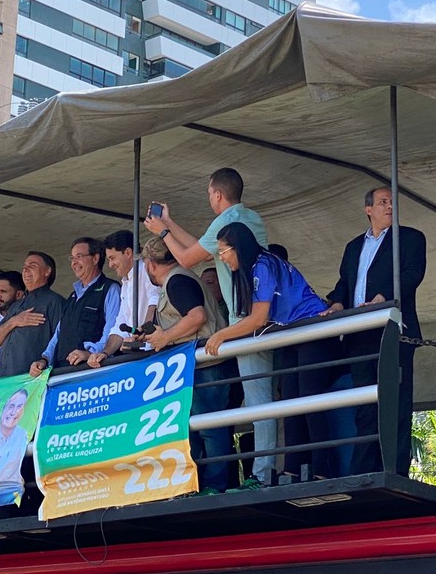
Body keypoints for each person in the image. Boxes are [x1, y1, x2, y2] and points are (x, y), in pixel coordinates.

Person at [144, 167, 275, 489]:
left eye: (208, 195)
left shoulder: (228, 221)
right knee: (256, 403)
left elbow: (188, 259)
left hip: (247, 319)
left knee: (259, 402)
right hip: (250, 317)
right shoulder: (247, 217)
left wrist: (162, 233)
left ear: (216, 194)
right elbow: (202, 251)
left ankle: (263, 474)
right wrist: (169, 224)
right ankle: (263, 471)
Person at [206, 223, 340, 483]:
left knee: (311, 402)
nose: (221, 257)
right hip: (292, 332)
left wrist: (221, 334)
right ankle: (292, 469)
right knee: (290, 401)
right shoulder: (256, 267)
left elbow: (257, 319)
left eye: (223, 251)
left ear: (238, 248)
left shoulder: (263, 265)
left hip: (313, 329)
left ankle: (323, 471)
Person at [322, 186, 427, 476]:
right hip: (359, 332)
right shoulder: (354, 246)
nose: (389, 206)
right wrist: (338, 302)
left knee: (396, 402)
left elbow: (412, 275)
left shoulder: (410, 238)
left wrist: (385, 296)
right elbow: (345, 282)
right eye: (383, 202)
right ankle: (363, 469)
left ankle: (394, 469)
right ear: (368, 209)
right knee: (365, 404)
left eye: (393, 202)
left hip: (394, 328)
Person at [140, 236, 231, 493]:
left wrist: (165, 337)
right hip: (196, 366)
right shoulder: (179, 278)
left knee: (209, 430)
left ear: (151, 264)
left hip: (206, 366)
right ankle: (200, 485)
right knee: (196, 430)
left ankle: (215, 487)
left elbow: (197, 316)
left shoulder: (177, 280)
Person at [30, 238, 120, 376]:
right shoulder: (72, 296)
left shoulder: (110, 289)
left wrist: (92, 353)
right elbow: (59, 334)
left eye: (79, 256)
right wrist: (45, 359)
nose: (74, 262)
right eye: (72, 258)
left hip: (93, 371)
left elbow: (113, 329)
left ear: (95, 258)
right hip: (63, 374)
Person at [87, 229, 160, 367]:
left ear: (128, 253)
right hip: (139, 356)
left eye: (112, 258)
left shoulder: (146, 270)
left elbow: (154, 300)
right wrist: (105, 353)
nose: (110, 265)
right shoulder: (126, 283)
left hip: (155, 353)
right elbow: (119, 325)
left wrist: (144, 330)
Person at [0, 252, 65, 377]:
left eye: (32, 265)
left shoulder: (55, 302)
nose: (25, 269)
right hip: (4, 381)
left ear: (47, 271)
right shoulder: (16, 305)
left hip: (33, 380)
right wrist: (14, 321)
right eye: (24, 266)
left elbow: (62, 341)